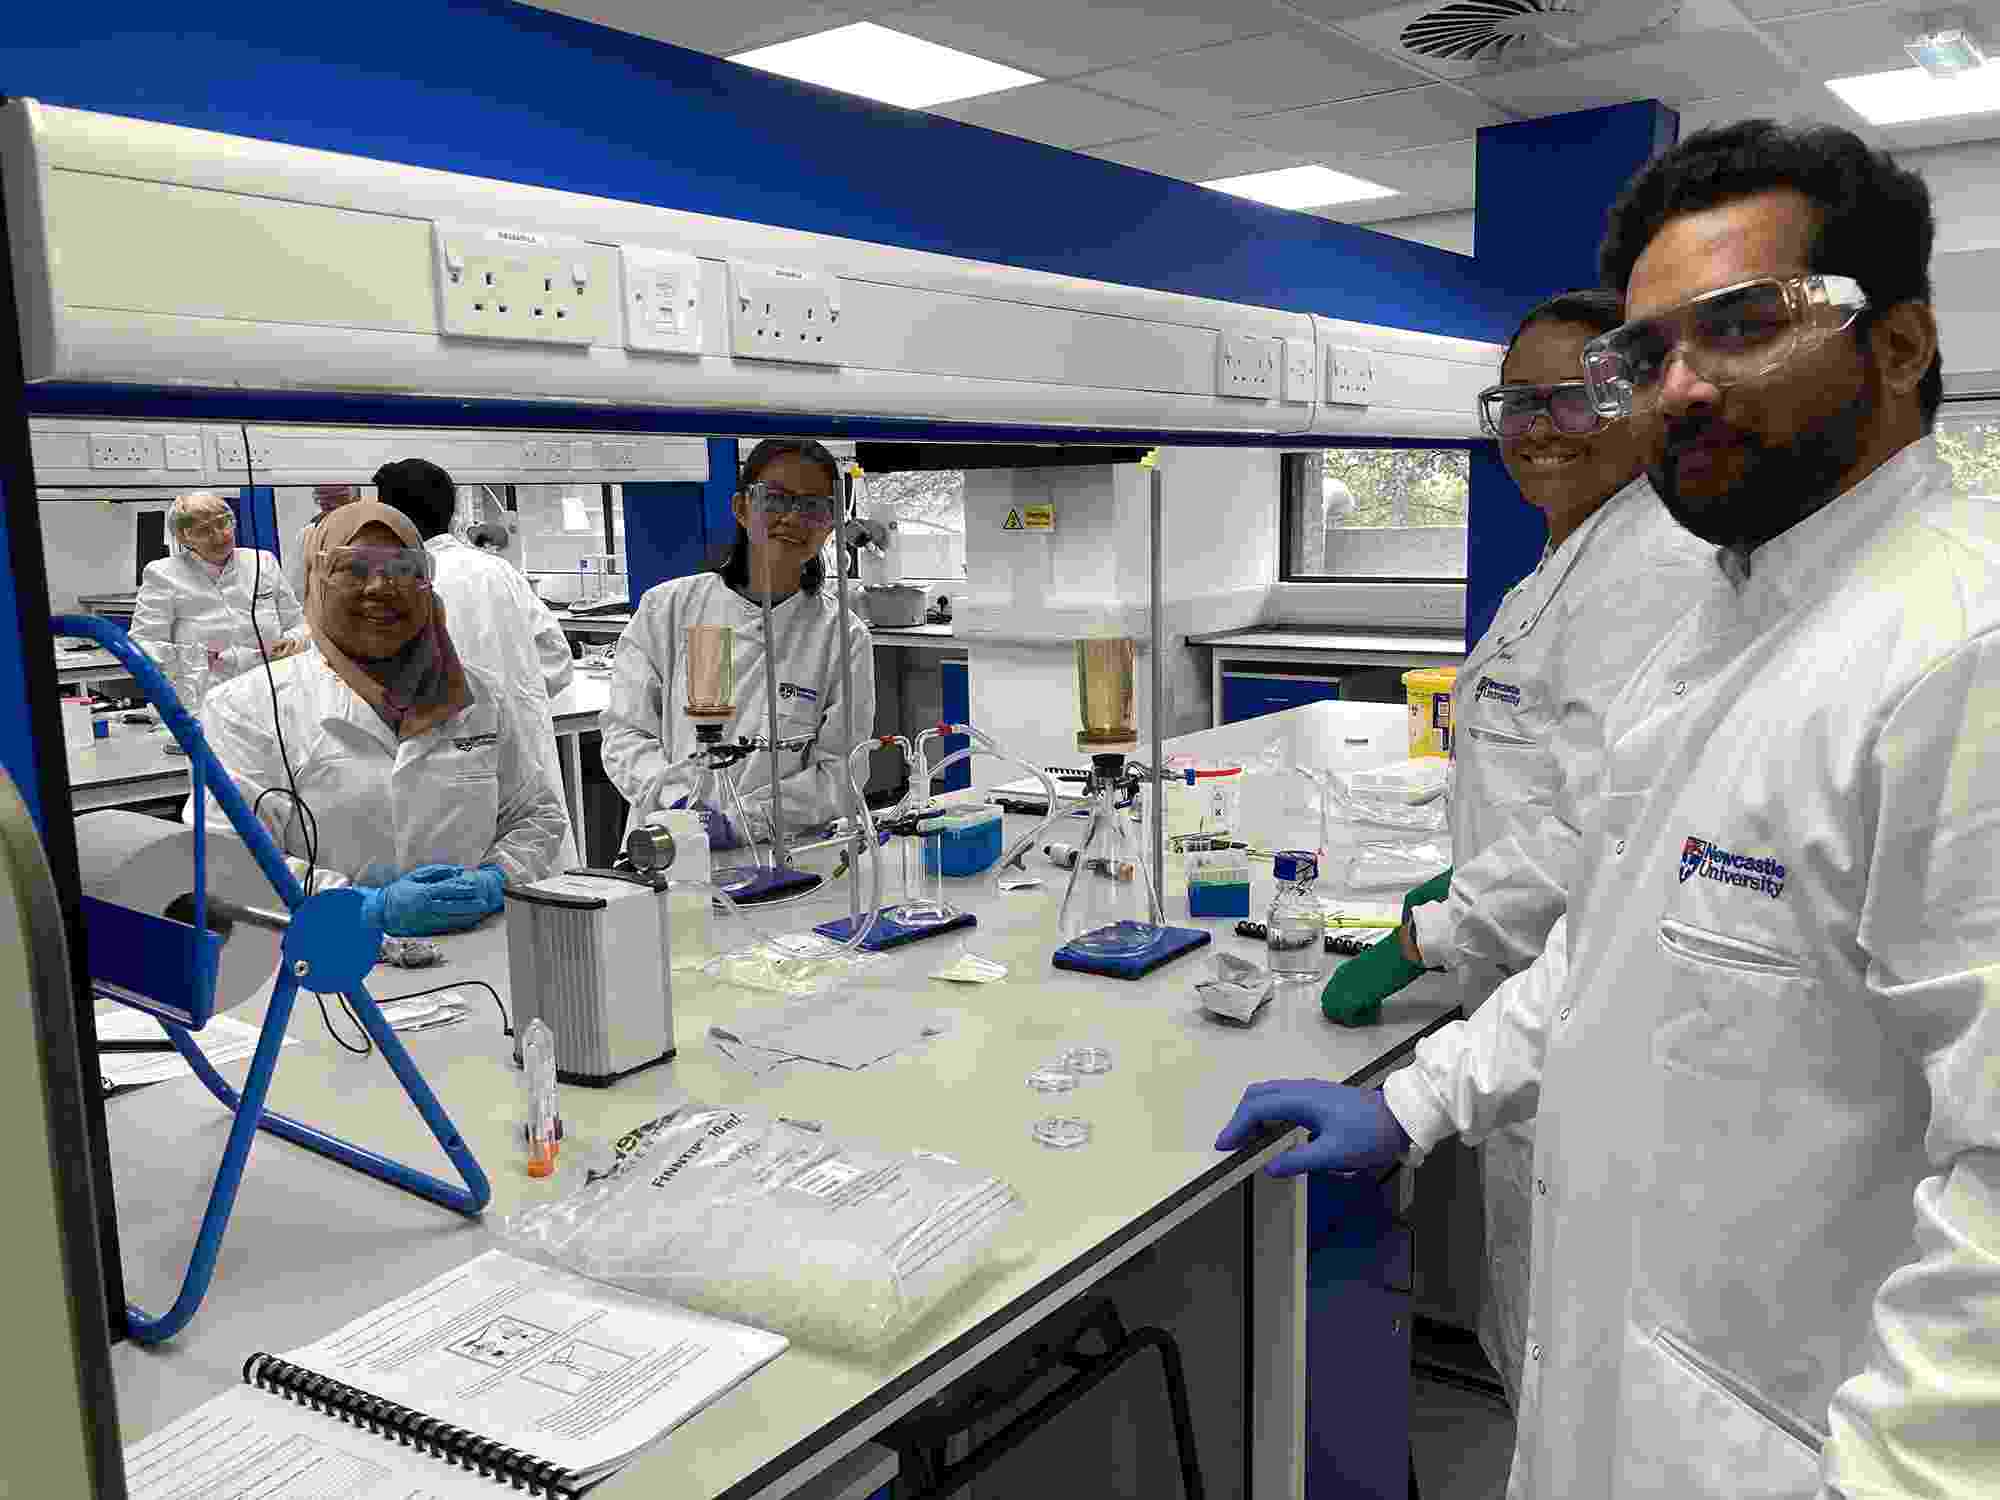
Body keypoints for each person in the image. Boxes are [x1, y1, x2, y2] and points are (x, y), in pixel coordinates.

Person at [1217, 120, 1998, 1499]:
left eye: (1744, 324)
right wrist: (1416, 1102)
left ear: (1901, 344)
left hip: (1801, 1438)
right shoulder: (1728, 618)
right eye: (1649, 355)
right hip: (1623, 1386)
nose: (1680, 388)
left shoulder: (1960, 648)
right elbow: (1615, 938)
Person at [1317, 289, 1724, 1406]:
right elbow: (1544, 778)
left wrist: (1428, 931)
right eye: (1514, 402)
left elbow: (1607, 821)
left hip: (1576, 1017)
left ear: (1639, 405)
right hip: (1523, 992)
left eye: (1573, 398)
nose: (1536, 427)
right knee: (1536, 1344)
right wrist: (1457, 886)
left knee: (1568, 1364)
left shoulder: (1656, 571)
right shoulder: (1570, 559)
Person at [198, 499, 565, 934]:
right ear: (317, 581)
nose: (380, 587)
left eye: (404, 570)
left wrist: (497, 876)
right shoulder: (248, 707)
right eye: (353, 569)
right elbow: (226, 853)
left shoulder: (480, 695)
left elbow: (537, 814)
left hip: (479, 952)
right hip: (331, 962)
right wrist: (362, 907)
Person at [601, 438, 873, 845]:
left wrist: (742, 822)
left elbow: (842, 771)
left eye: (814, 505)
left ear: (832, 521)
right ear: (742, 509)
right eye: (776, 499)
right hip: (669, 845)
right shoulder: (670, 609)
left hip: (785, 851)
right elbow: (626, 735)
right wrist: (680, 806)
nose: (794, 518)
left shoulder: (842, 636)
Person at [372, 458, 580, 869]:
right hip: (521, 763)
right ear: (451, 511)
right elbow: (557, 660)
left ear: (388, 517)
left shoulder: (391, 585)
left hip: (445, 776)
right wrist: (515, 700)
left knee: (462, 896)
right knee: (542, 894)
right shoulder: (499, 571)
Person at [131, 491, 308, 683]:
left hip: (271, 688)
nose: (218, 535)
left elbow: (298, 624)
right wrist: (195, 657)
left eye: (222, 523)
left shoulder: (262, 562)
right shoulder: (163, 574)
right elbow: (143, 644)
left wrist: (293, 641)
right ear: (184, 538)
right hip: (205, 694)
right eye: (203, 530)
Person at [287, 484, 362, 601]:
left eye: (337, 499)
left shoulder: (366, 531)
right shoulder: (308, 534)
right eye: (325, 501)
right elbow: (296, 587)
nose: (331, 506)